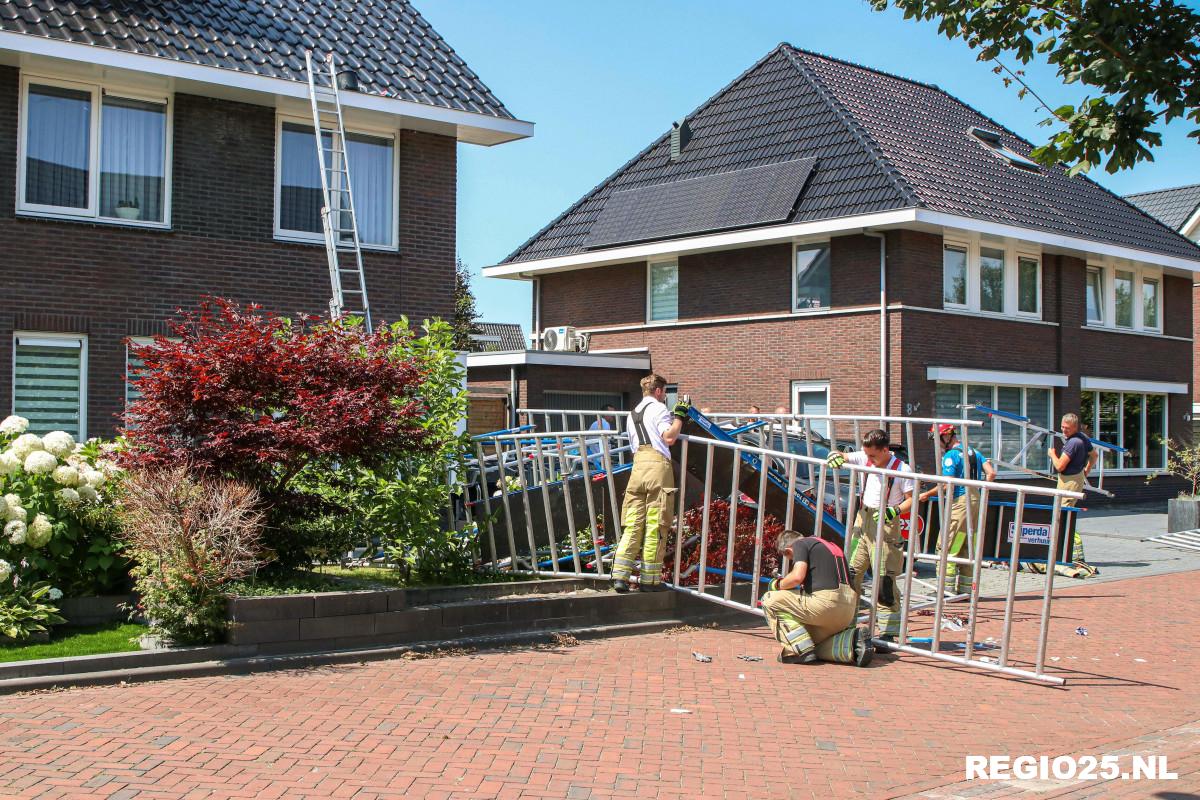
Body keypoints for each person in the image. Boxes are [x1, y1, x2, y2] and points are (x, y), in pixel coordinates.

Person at [826, 429, 915, 639]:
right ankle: (847, 626)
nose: (869, 459)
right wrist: (834, 456)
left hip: (886, 525)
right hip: (862, 520)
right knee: (851, 574)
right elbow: (843, 455)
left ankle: (888, 633)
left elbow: (912, 499)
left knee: (884, 580)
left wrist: (895, 511)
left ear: (885, 450)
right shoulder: (866, 457)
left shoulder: (902, 469)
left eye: (873, 455)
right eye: (867, 455)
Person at [612, 375, 690, 593]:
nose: (665, 396)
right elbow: (669, 437)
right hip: (658, 468)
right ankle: (650, 580)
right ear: (658, 391)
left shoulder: (632, 413)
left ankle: (619, 577)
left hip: (637, 469)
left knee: (633, 522)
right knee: (657, 523)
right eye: (664, 392)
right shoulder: (659, 409)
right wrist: (680, 416)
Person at [761, 530, 874, 667]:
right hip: (847, 611)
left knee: (769, 599)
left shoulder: (801, 544)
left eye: (790, 557)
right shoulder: (832, 547)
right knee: (812, 642)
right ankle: (853, 642)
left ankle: (800, 652)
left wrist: (777, 584)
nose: (792, 560)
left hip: (825, 604)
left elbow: (797, 577)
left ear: (788, 550)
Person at [919, 424, 996, 596]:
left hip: (960, 502)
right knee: (966, 545)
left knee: (947, 544)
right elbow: (991, 473)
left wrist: (926, 495)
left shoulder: (951, 455)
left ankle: (945, 590)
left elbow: (947, 483)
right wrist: (980, 492)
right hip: (976, 501)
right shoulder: (974, 452)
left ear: (946, 437)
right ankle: (965, 590)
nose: (936, 443)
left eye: (937, 438)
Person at [1048, 412, 1097, 564]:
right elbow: (1094, 455)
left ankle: (1073, 555)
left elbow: (1060, 466)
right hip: (1076, 479)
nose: (1064, 430)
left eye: (1067, 428)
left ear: (1075, 427)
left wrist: (1052, 454)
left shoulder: (1073, 443)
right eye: (1062, 427)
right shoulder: (1083, 437)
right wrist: (1085, 471)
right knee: (1063, 515)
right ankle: (1064, 553)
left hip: (1068, 482)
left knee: (1063, 516)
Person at [585, 404, 617, 471]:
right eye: (612, 413)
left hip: (592, 459)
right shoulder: (605, 424)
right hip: (600, 461)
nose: (613, 415)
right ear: (605, 413)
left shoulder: (594, 423)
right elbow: (605, 442)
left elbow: (587, 439)